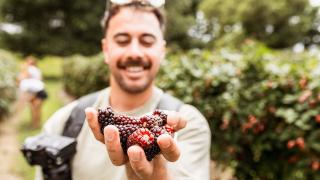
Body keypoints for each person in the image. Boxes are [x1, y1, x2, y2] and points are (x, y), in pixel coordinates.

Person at [36, 0, 211, 179]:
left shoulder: (190, 125)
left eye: (147, 41)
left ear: (162, 51)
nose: (134, 52)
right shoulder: (63, 122)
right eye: (122, 41)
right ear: (106, 49)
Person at [16, 56, 48, 128]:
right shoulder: (36, 70)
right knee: (34, 109)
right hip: (35, 91)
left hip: (38, 92)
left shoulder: (30, 69)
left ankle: (36, 125)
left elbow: (21, 78)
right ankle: (35, 124)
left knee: (35, 109)